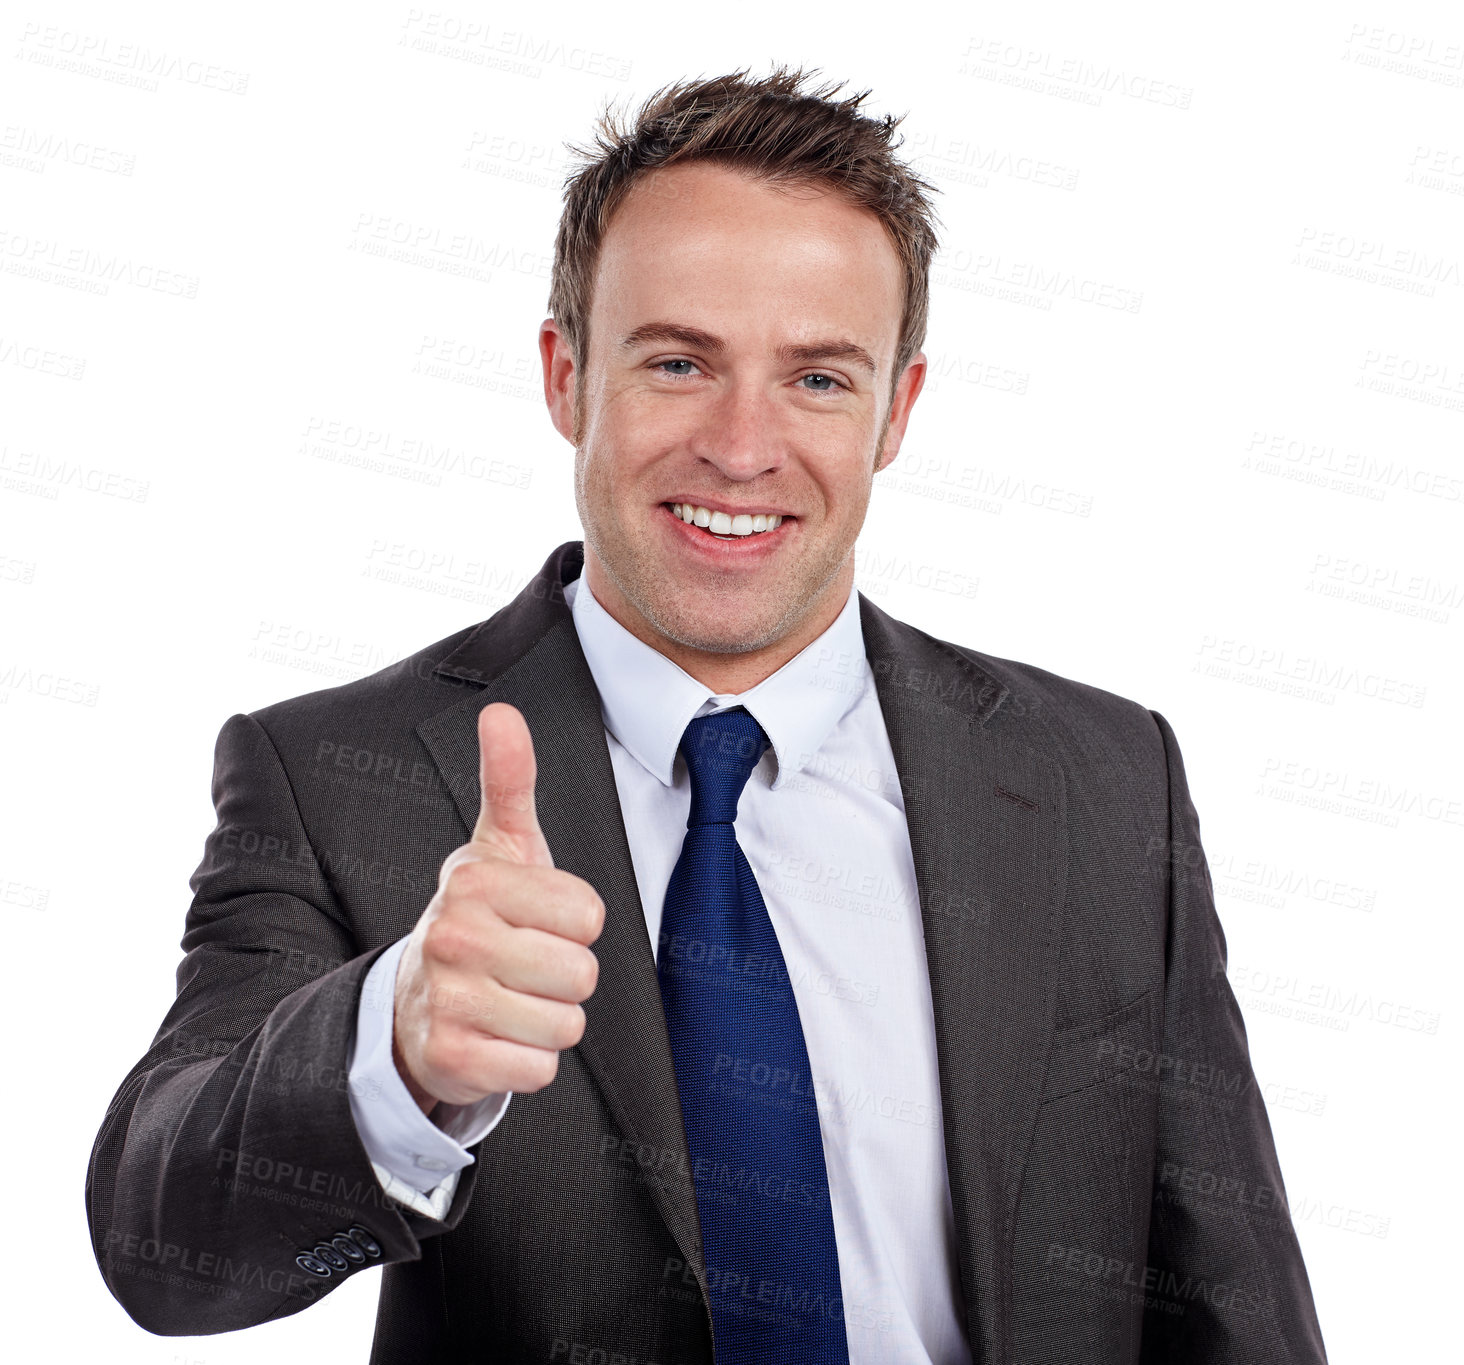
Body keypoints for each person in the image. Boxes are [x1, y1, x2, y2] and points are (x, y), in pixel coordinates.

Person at [87, 67, 1328, 1363]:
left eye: (818, 379)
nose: (743, 447)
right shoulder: (337, 777)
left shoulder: (1102, 774)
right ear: (567, 375)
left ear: (897, 412)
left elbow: (1233, 1298)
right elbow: (158, 1247)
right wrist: (392, 1055)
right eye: (679, 361)